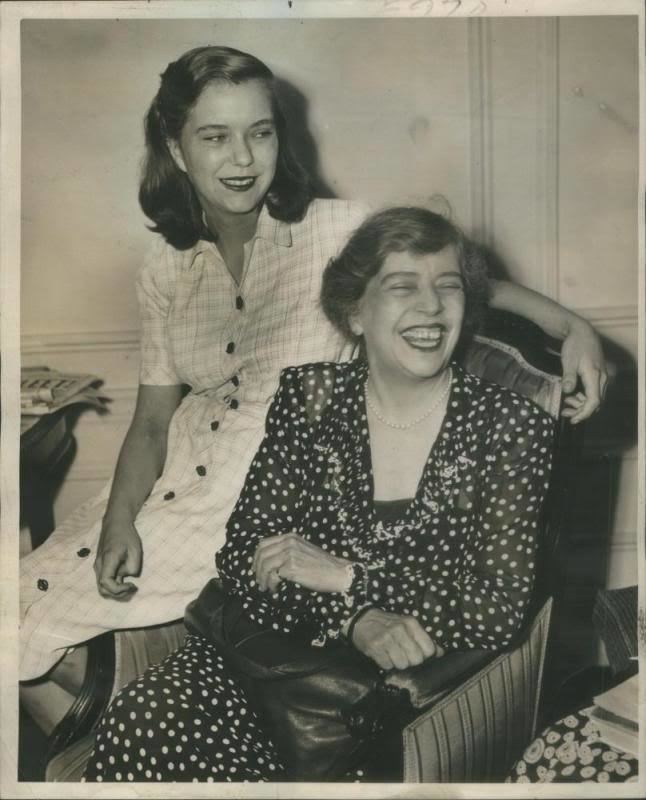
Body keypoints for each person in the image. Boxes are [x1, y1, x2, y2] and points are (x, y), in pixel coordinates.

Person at [20, 45, 606, 724]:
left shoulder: (335, 228)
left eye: (259, 132)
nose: (242, 158)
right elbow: (153, 418)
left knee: (36, 634)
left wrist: (570, 326)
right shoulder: (166, 267)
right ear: (176, 150)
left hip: (253, 496)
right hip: (171, 476)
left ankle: (125, 723)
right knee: (21, 609)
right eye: (214, 136)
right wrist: (121, 515)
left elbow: (453, 280)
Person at [83, 205, 556, 782]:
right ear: (355, 312)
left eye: (448, 287)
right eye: (402, 287)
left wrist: (346, 575)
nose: (431, 307)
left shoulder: (511, 425)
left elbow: (498, 608)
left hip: (376, 707)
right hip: (270, 658)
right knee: (143, 717)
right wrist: (355, 615)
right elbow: (242, 557)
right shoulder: (311, 398)